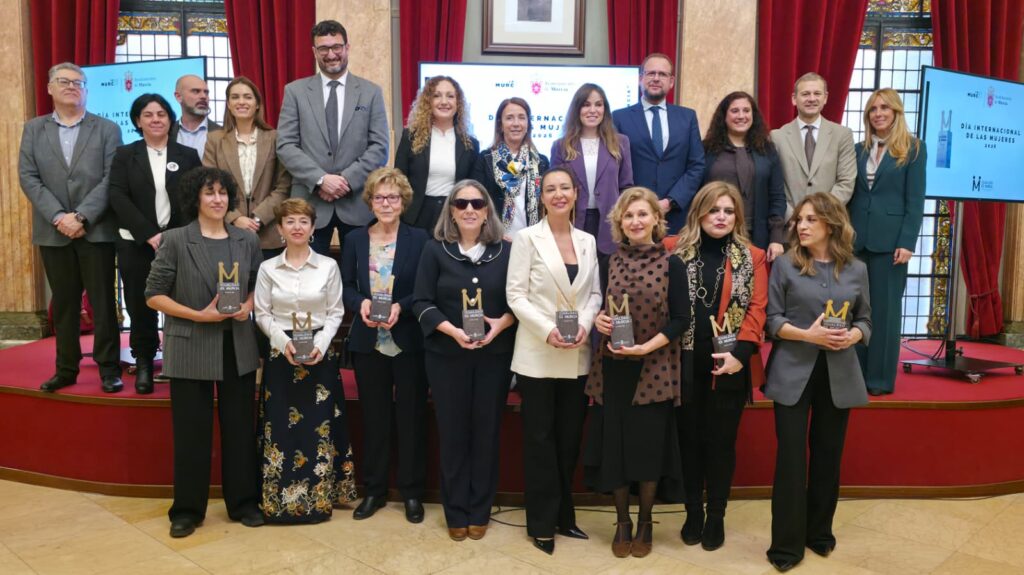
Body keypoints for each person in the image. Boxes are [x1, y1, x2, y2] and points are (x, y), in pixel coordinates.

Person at [144, 167, 264, 538]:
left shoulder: (246, 240)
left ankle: (243, 502)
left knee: (240, 430)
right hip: (191, 342)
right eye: (209, 193)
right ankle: (187, 510)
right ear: (196, 198)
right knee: (192, 432)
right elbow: (153, 295)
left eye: (223, 193)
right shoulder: (176, 240)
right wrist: (199, 315)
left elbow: (258, 284)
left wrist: (247, 304)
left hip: (236, 345)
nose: (217, 199)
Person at [763, 192, 871, 572]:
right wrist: (808, 336)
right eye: (799, 220)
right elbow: (771, 321)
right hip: (792, 372)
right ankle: (786, 547)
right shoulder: (785, 266)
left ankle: (819, 534)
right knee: (792, 460)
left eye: (810, 220)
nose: (801, 226)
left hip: (839, 374)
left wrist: (854, 336)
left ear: (831, 223)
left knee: (827, 457)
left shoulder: (856, 269)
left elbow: (866, 321)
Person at [583, 187, 687, 559]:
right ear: (619, 223)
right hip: (614, 366)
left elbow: (681, 319)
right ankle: (622, 522)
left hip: (653, 366)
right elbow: (598, 304)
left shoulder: (671, 263)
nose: (636, 221)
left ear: (656, 221)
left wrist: (648, 346)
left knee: (646, 451)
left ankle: (645, 522)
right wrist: (600, 320)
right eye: (629, 216)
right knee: (618, 449)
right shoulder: (608, 261)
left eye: (643, 215)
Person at [665, 182, 768, 551]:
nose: (721, 217)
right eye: (714, 210)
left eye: (728, 211)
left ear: (737, 216)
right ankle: (693, 512)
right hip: (683, 362)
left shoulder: (752, 256)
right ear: (699, 213)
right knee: (688, 442)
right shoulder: (672, 249)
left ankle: (717, 515)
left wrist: (740, 355)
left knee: (721, 444)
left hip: (730, 362)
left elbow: (757, 308)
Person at [412, 180, 516, 542]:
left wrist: (502, 324)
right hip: (446, 358)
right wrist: (452, 331)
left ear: (487, 210)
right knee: (453, 435)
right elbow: (421, 301)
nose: (469, 209)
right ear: (451, 211)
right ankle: (456, 510)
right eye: (461, 204)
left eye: (477, 203)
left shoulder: (506, 251)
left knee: (485, 434)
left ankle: (479, 510)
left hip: (494, 357)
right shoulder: (434, 250)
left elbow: (519, 301)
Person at [506, 167, 603, 555]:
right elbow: (516, 295)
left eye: (565, 187)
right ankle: (542, 522)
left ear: (576, 193)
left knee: (567, 440)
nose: (559, 194)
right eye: (551, 189)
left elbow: (595, 293)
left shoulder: (588, 241)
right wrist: (548, 330)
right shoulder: (527, 238)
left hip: (576, 352)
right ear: (541, 196)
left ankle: (565, 516)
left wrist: (583, 325)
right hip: (537, 353)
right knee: (540, 440)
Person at [19, 62, 123, 393]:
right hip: (53, 231)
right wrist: (59, 217)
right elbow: (28, 177)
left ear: (87, 91)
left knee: (103, 302)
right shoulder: (34, 129)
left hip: (97, 229)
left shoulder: (106, 129)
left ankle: (109, 368)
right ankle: (65, 368)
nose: (71, 86)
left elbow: (112, 178)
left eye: (78, 82)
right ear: (49, 88)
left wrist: (81, 216)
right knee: (64, 304)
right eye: (63, 81)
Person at [253, 198, 357, 523]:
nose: (297, 227)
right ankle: (277, 498)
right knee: (280, 427)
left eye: (303, 221)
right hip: (280, 354)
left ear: (313, 228)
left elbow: (336, 311)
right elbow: (261, 312)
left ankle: (320, 498)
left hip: (319, 353)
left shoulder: (328, 266)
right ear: (281, 228)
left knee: (319, 425)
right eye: (290, 221)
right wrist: (283, 343)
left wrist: (320, 345)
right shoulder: (268, 267)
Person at [340, 168, 429, 523]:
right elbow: (345, 285)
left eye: (393, 197)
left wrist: (400, 307)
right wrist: (358, 303)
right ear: (370, 202)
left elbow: (424, 289)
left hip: (407, 340)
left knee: (411, 418)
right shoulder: (355, 240)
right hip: (368, 342)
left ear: (403, 201)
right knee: (375, 418)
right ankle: (374, 490)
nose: (387, 203)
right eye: (380, 197)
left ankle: (411, 492)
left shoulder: (419, 239)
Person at [108, 93, 203, 394]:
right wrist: (148, 233)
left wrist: (173, 235)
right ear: (138, 121)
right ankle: (145, 363)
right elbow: (117, 196)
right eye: (148, 115)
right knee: (140, 303)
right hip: (136, 242)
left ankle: (181, 362)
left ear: (170, 118)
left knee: (181, 302)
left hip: (180, 242)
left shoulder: (187, 155)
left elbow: (195, 197)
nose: (156, 119)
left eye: (161, 113)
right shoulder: (125, 154)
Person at [277, 19, 389, 256]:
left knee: (359, 279)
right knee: (304, 278)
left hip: (357, 202)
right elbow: (286, 145)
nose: (331, 54)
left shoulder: (371, 92)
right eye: (323, 48)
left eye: (336, 47)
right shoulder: (295, 92)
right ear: (314, 52)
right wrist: (320, 179)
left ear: (347, 48)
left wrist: (345, 180)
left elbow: (379, 147)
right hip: (308, 204)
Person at [849, 88, 926, 395]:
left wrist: (908, 242)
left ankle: (879, 380)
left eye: (884, 108)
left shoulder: (914, 149)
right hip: (856, 241)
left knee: (884, 312)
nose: (878, 113)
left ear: (896, 112)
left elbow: (915, 201)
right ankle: (855, 375)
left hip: (891, 244)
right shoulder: (857, 149)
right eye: (872, 109)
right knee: (856, 311)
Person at [612, 53, 705, 234]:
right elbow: (615, 167)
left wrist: (670, 201)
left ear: (671, 82)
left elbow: (697, 165)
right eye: (650, 73)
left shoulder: (687, 117)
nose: (656, 78)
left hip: (678, 217)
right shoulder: (619, 118)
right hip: (634, 218)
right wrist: (640, 204)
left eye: (662, 74)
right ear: (640, 79)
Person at [203, 76, 292, 260]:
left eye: (247, 97)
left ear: (257, 104)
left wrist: (257, 218)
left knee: (268, 288)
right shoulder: (215, 140)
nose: (241, 102)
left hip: (269, 234)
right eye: (235, 97)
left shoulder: (275, 137)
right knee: (232, 288)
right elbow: (208, 185)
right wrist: (235, 218)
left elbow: (284, 186)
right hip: (227, 232)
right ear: (228, 104)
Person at [550, 83, 633, 278]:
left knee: (606, 278)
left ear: (605, 109)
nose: (593, 110)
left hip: (609, 222)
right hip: (574, 220)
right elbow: (555, 190)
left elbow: (626, 186)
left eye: (598, 104)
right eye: (586, 105)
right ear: (577, 109)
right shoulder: (561, 146)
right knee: (576, 278)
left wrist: (622, 221)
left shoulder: (620, 143)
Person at [702, 91, 787, 261]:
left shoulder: (767, 150)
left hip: (757, 237)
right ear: (724, 116)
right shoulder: (706, 149)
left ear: (753, 115)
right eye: (735, 111)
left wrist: (776, 238)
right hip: (714, 234)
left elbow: (777, 196)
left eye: (746, 111)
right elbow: (697, 194)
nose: (741, 116)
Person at [394, 76, 480, 231]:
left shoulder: (470, 144)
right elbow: (398, 180)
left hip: (454, 217)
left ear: (458, 103)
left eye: (450, 96)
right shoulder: (410, 137)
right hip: (415, 217)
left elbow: (472, 188)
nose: (444, 101)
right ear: (428, 102)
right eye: (437, 95)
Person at [770, 73, 856, 219]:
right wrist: (795, 218)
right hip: (789, 225)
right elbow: (774, 185)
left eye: (817, 93)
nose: (811, 99)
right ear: (794, 99)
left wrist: (819, 216)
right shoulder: (777, 137)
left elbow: (846, 182)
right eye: (805, 94)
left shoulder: (842, 135)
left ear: (825, 98)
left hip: (828, 225)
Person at [472, 97, 549, 239]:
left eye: (521, 118)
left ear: (528, 124)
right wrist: (495, 233)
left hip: (534, 240)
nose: (516, 124)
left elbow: (547, 206)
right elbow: (478, 201)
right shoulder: (485, 159)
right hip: (496, 238)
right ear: (500, 125)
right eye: (509, 118)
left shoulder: (541, 162)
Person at [170, 74, 222, 155]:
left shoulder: (223, 134)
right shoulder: (167, 133)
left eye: (206, 92)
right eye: (196, 91)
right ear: (178, 96)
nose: (203, 96)